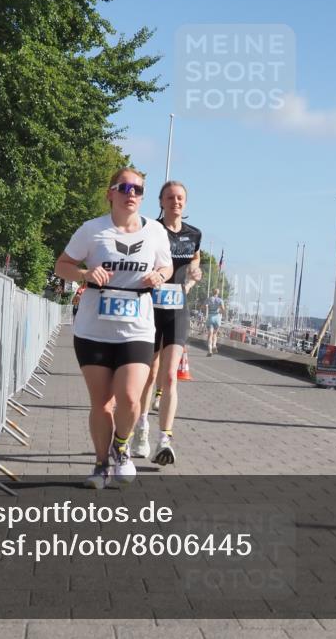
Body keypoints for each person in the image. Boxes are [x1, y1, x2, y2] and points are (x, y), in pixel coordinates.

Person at [55, 168, 173, 489]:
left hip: (137, 327)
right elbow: (61, 265)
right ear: (110, 193)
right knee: (102, 402)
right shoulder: (92, 230)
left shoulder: (155, 233)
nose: (131, 193)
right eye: (124, 187)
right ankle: (100, 464)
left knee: (132, 398)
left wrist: (160, 276)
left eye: (138, 189)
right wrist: (85, 274)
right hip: (94, 328)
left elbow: (166, 264)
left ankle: (122, 446)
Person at [131, 181, 202, 465]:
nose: (176, 201)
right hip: (151, 307)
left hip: (177, 307)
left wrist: (192, 278)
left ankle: (165, 440)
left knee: (170, 376)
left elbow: (194, 259)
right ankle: (141, 430)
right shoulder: (151, 229)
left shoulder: (194, 234)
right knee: (149, 374)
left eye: (180, 197)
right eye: (170, 197)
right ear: (161, 201)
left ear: (186, 202)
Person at [205, 288, 224, 356]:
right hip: (217, 318)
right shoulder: (220, 300)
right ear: (218, 293)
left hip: (210, 317)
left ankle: (209, 350)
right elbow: (223, 309)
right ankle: (214, 346)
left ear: (212, 292)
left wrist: (206, 308)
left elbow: (203, 307)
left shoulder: (209, 299)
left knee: (210, 334)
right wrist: (220, 312)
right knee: (215, 334)